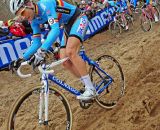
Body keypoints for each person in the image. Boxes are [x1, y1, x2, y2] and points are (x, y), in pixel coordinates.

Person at [9, 0, 96, 100]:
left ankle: (91, 89)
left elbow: (55, 30)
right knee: (65, 61)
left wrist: (42, 51)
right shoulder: (33, 21)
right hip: (68, 25)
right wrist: (22, 58)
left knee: (71, 51)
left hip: (79, 18)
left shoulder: (46, 4)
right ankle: (86, 84)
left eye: (23, 13)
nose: (23, 17)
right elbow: (36, 43)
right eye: (20, 16)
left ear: (29, 4)